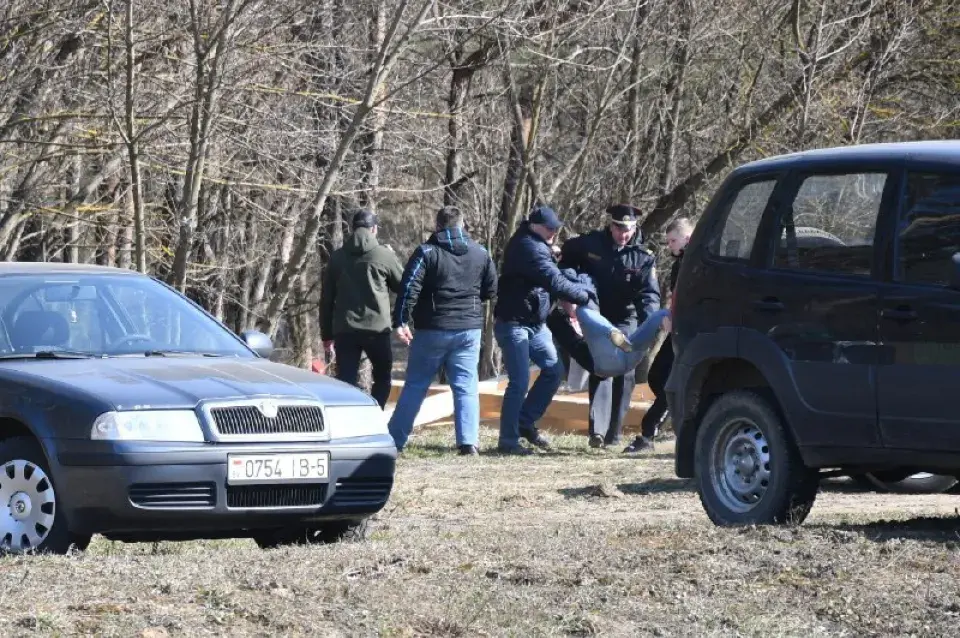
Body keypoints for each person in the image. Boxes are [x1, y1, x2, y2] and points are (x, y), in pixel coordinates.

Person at [388, 206, 498, 456]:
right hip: (469, 328)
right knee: (466, 386)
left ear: (437, 226)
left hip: (432, 328)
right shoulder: (481, 252)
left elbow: (408, 289)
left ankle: (395, 440)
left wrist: (401, 321)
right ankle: (468, 442)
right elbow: (491, 290)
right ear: (463, 225)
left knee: (416, 384)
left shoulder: (426, 252)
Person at [494, 204, 596, 455]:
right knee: (518, 382)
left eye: (555, 228)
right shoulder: (528, 248)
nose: (553, 232)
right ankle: (508, 441)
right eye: (549, 228)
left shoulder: (537, 244)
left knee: (553, 370)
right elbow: (555, 281)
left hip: (535, 323)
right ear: (534, 225)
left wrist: (551, 252)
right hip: (514, 323)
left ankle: (525, 423)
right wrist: (584, 296)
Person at [559, 204, 660, 449]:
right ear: (611, 225)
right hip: (597, 315)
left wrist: (649, 324)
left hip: (627, 317)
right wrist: (570, 295)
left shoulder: (643, 255)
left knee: (624, 370)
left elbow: (649, 295)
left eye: (628, 229)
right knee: (602, 366)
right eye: (618, 228)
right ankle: (598, 432)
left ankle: (614, 434)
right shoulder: (590, 243)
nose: (623, 234)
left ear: (635, 227)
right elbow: (565, 262)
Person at [320, 209, 403, 409]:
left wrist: (326, 335)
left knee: (345, 380)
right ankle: (375, 413)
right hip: (377, 331)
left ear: (353, 228)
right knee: (382, 377)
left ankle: (348, 418)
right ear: (373, 229)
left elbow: (326, 299)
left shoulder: (337, 257)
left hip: (345, 330)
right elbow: (402, 286)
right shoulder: (384, 254)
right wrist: (393, 258)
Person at [623, 216, 693, 453]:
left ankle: (648, 434)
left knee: (667, 381)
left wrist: (677, 319)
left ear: (687, 238)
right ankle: (672, 423)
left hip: (689, 332)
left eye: (673, 240)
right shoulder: (680, 263)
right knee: (656, 376)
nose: (670, 245)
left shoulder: (696, 262)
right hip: (677, 327)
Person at [547, 270, 671, 378]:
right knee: (583, 312)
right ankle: (612, 332)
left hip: (622, 355)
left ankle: (614, 333)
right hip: (607, 362)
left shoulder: (575, 312)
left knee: (659, 316)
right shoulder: (560, 318)